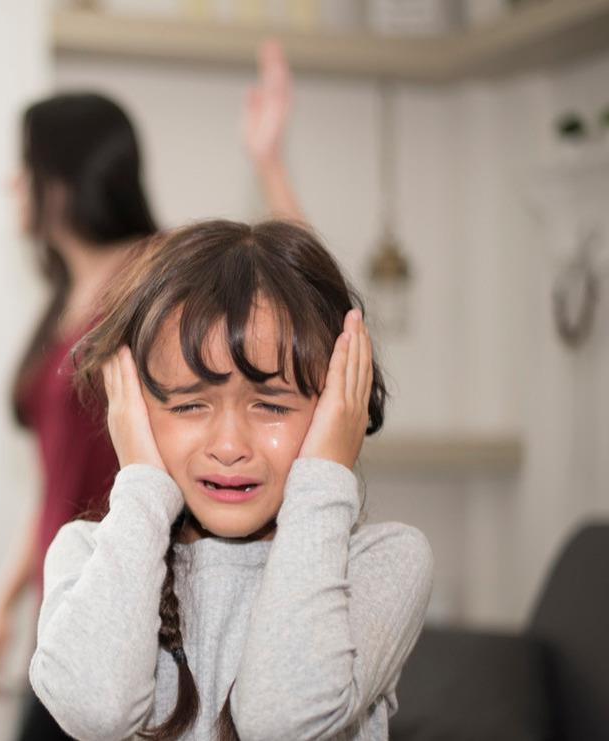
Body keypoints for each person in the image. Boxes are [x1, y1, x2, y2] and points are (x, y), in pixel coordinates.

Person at [0, 41, 305, 740]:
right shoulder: (63, 299)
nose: (10, 185)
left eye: (21, 168)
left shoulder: (157, 277)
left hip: (145, 618)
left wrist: (268, 162)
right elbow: (56, 481)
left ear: (59, 180)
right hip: (67, 604)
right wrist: (2, 603)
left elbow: (301, 309)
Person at [29, 219, 434, 740]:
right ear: (132, 405)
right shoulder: (86, 557)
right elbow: (95, 712)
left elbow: (282, 721)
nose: (228, 446)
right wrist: (143, 488)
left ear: (337, 409)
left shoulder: (383, 563)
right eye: (190, 404)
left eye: (270, 405)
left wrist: (325, 474)